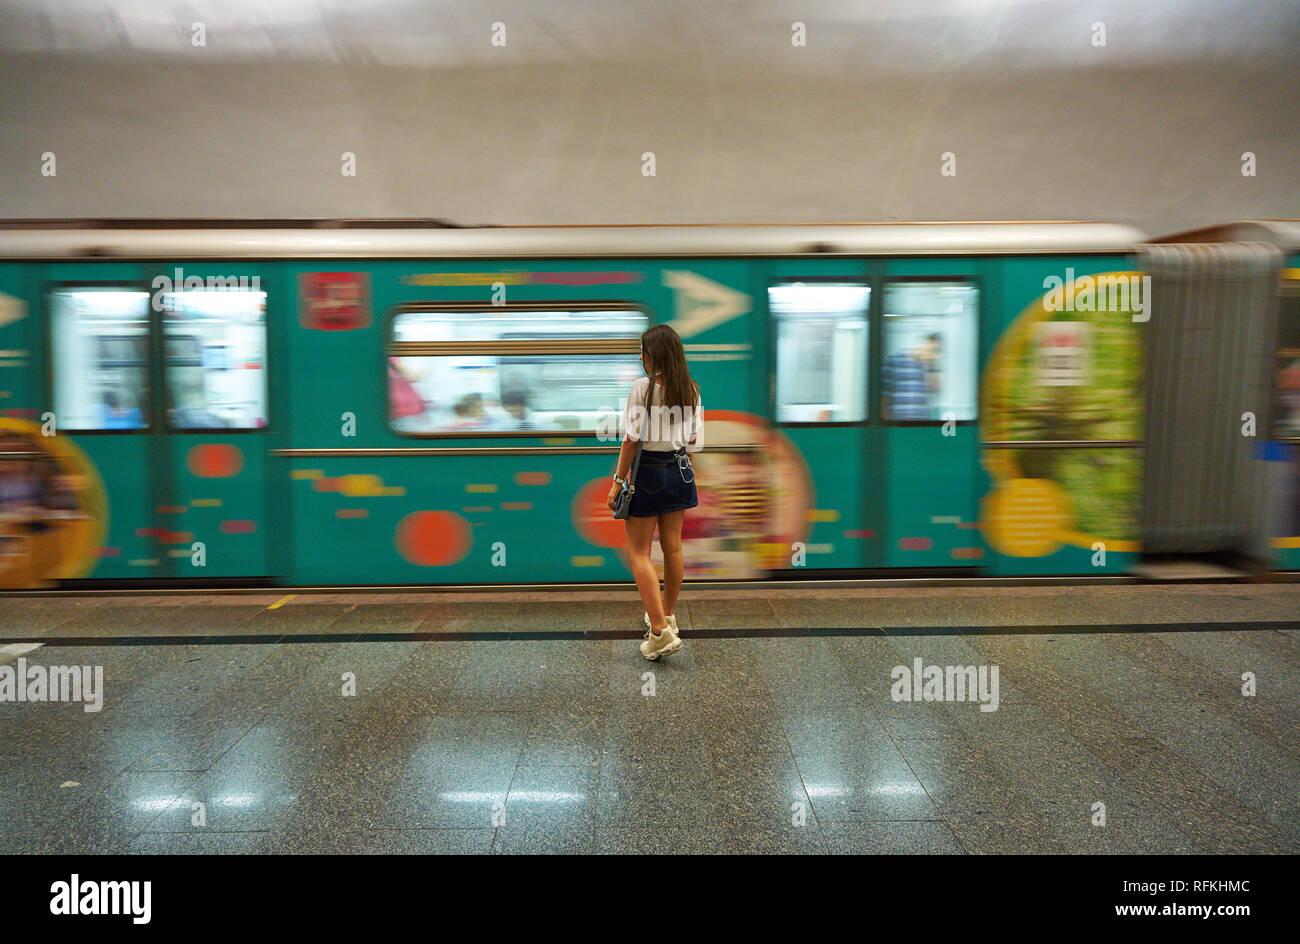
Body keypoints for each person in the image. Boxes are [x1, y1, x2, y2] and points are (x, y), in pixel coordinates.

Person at [606, 324, 702, 660]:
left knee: (638, 552)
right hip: (679, 470)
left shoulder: (641, 388)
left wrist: (618, 482)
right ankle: (668, 616)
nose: (639, 356)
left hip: (648, 473)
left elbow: (631, 439)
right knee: (673, 548)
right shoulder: (691, 390)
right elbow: (694, 443)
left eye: (643, 350)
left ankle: (659, 630)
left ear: (654, 355)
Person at [882, 332, 942, 420]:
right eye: (931, 349)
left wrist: (930, 365)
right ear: (921, 344)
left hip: (920, 424)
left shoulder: (929, 367)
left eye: (936, 351)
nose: (932, 353)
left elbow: (935, 389)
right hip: (898, 424)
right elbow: (884, 396)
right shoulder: (894, 361)